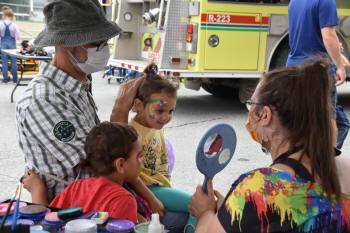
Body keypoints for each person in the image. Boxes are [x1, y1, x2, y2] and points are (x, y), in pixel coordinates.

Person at [189, 60, 350, 232]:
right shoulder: (345, 166)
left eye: (251, 105)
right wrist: (230, 213)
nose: (249, 114)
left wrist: (205, 212)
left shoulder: (259, 188)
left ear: (265, 115)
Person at [16, 0, 122, 201]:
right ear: (67, 44)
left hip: (101, 198)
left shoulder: (76, 85)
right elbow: (103, 165)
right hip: (77, 213)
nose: (104, 49)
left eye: (105, 42)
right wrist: (120, 112)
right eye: (97, 43)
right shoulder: (44, 100)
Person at [111, 64, 196, 231]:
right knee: (198, 205)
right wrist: (152, 199)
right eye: (160, 110)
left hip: (161, 187)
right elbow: (131, 176)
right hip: (150, 189)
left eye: (171, 111)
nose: (166, 117)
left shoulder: (154, 126)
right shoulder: (132, 133)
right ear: (139, 105)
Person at [22, 122, 140, 223]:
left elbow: (49, 220)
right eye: (139, 156)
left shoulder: (76, 186)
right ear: (120, 165)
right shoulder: (124, 200)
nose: (141, 161)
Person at [286, 0, 350, 150]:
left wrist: (336, 50)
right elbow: (328, 34)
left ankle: (298, 162)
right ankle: (326, 164)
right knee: (332, 122)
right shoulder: (326, 1)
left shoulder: (295, 2)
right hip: (316, 70)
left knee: (301, 120)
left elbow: (307, 34)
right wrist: (340, 66)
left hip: (294, 67)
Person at [0, 6, 20, 83]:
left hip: (3, 44)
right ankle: (15, 79)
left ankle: (5, 79)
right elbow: (18, 37)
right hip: (12, 44)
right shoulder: (14, 25)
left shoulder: (0, 25)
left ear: (5, 16)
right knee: (13, 61)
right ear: (11, 16)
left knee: (4, 61)